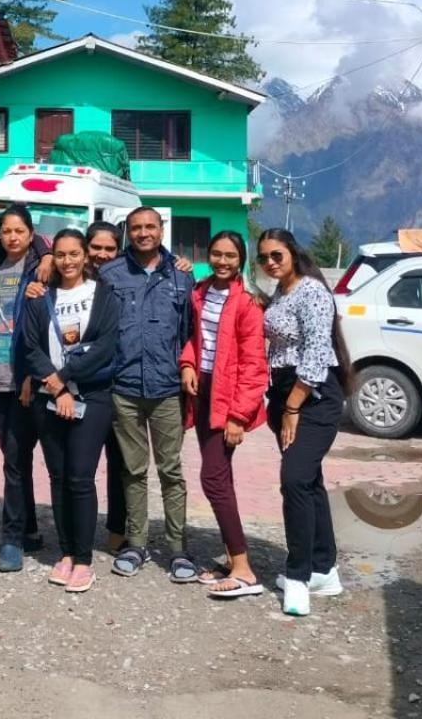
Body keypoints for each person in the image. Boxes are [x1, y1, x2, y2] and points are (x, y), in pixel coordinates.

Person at [18, 228, 121, 594]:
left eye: (74, 253)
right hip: (49, 397)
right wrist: (54, 384)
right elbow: (29, 346)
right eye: (60, 254)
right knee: (58, 477)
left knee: (80, 478)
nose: (67, 261)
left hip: (91, 396)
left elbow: (105, 346)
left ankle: (83, 558)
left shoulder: (103, 294)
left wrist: (63, 380)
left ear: (85, 256)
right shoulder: (39, 296)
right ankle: (65, 552)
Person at [101, 207, 198, 584]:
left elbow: (190, 333)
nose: (143, 233)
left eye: (150, 227)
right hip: (123, 388)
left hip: (167, 389)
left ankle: (177, 548)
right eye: (136, 228)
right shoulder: (110, 275)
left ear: (161, 230)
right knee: (133, 470)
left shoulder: (181, 276)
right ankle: (135, 543)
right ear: (128, 231)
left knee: (171, 471)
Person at [258, 227, 351, 617]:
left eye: (276, 255)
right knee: (309, 483)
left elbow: (315, 353)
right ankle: (323, 568)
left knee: (294, 480)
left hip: (311, 397)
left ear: (293, 253)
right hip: (284, 395)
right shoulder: (282, 292)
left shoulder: (311, 291)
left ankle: (297, 577)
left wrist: (293, 407)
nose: (270, 263)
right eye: (263, 257)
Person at [180, 231, 268, 599]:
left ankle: (244, 569)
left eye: (230, 256)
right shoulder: (198, 293)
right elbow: (189, 336)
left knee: (213, 479)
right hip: (201, 391)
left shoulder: (247, 304)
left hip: (227, 398)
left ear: (241, 260)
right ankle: (233, 558)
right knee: (221, 478)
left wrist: (238, 416)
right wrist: (187, 363)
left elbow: (254, 365)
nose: (222, 261)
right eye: (216, 254)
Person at [0, 204, 44, 572]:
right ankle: (29, 527)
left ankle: (12, 538)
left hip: (26, 381)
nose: (13, 237)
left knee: (20, 460)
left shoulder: (38, 270)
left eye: (19, 230)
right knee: (15, 459)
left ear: (31, 234)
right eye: (6, 231)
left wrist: (31, 375)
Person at [83, 221, 128, 553]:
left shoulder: (125, 277)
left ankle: (117, 530)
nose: (101, 254)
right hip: (80, 384)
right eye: (95, 247)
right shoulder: (71, 275)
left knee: (120, 461)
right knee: (79, 463)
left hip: (120, 383)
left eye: (109, 249)